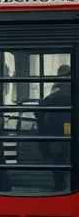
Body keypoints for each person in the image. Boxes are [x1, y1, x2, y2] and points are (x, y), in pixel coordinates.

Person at [38, 64, 71, 192]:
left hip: (59, 132)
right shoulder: (69, 88)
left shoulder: (58, 90)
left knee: (58, 159)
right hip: (67, 130)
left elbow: (42, 108)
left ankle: (60, 185)